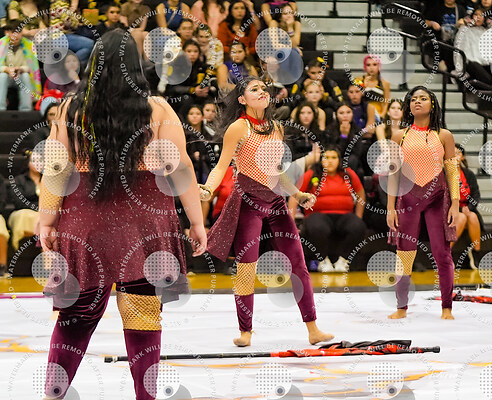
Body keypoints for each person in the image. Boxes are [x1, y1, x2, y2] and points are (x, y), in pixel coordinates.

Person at [39, 29, 207, 400]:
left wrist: (46, 220)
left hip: (86, 221)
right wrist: (196, 221)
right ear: (137, 66)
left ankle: (53, 394)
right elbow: (181, 169)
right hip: (145, 220)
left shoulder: (70, 109)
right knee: (143, 318)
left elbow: (55, 169)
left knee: (75, 318)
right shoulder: (158, 109)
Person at [199, 76, 333, 347]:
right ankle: (246, 332)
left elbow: (277, 172)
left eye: (264, 88)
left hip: (276, 202)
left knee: (298, 264)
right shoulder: (238, 127)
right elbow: (222, 165)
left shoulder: (276, 127)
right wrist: (209, 189)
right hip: (248, 201)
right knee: (246, 268)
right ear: (242, 99)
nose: (262, 91)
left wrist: (297, 194)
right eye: (254, 89)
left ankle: (313, 329)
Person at [386, 86, 459, 320]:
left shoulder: (444, 135)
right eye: (413, 99)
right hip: (408, 199)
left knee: (442, 253)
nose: (417, 102)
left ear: (432, 104)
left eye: (423, 98)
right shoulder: (399, 136)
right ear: (408, 106)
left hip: (437, 197)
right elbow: (393, 173)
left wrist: (455, 204)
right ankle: (401, 307)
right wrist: (390, 207)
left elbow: (452, 171)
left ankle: (446, 307)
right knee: (404, 253)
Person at [290, 144, 366, 272]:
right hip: (317, 215)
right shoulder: (311, 174)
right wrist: (291, 221)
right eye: (326, 157)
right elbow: (294, 196)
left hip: (344, 216)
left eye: (333, 157)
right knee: (318, 227)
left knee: (358, 225)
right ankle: (323, 260)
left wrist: (358, 216)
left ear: (339, 160)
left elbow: (361, 194)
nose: (330, 161)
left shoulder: (348, 173)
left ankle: (343, 260)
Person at [453, 143, 483, 268]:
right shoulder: (443, 174)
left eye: (458, 154)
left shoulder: (468, 174)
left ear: (463, 157)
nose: (455, 157)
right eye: (452, 154)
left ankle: (476, 253)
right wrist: (459, 209)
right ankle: (445, 255)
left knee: (472, 217)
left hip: (467, 208)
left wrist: (469, 208)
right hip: (450, 211)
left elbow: (476, 195)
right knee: (461, 217)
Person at [0, 21, 41, 111]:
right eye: (13, 32)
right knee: (2, 76)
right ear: (7, 32)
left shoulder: (29, 45)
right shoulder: (1, 44)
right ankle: (0, 109)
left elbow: (31, 67)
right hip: (6, 76)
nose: (16, 36)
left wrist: (20, 69)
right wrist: (6, 69)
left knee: (25, 76)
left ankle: (26, 109)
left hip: (20, 75)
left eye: (18, 32)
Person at [454, 7, 492, 87]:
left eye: (481, 15)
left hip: (486, 64)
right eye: (476, 15)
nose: (478, 17)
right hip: (470, 64)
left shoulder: (488, 31)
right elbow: (459, 51)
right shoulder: (464, 30)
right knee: (475, 66)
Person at [8, 149, 40, 251]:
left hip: (44, 212)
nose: (38, 164)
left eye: (41, 161)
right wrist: (38, 207)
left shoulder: (49, 181)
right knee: (23, 215)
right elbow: (18, 202)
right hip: (25, 211)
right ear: (28, 163)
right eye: (34, 161)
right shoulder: (19, 180)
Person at [355, 55, 391, 119]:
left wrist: (382, 115)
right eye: (368, 65)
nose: (371, 68)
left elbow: (386, 103)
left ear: (379, 66)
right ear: (365, 67)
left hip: (378, 114)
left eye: (374, 64)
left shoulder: (385, 83)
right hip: (362, 113)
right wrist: (364, 86)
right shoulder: (358, 81)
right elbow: (355, 98)